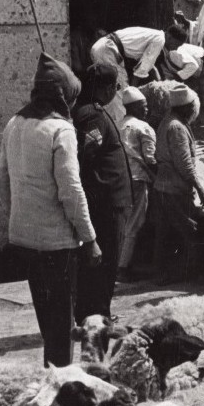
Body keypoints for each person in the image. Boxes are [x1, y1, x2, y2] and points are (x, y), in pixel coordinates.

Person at [0, 52, 101, 367]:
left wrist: (20, 216)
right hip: (58, 244)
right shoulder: (61, 130)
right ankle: (60, 391)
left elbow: (0, 181)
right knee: (61, 329)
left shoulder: (14, 123)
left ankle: (52, 380)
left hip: (24, 240)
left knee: (48, 321)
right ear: (63, 95)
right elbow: (70, 189)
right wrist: (90, 238)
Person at [72, 63, 133, 320]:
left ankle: (95, 312)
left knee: (103, 261)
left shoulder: (90, 111)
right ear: (106, 87)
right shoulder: (92, 115)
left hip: (108, 202)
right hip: (106, 204)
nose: (115, 92)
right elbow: (85, 157)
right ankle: (97, 314)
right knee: (104, 262)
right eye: (116, 87)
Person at [152, 83, 204, 284]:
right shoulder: (176, 127)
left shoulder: (167, 121)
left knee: (166, 232)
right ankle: (187, 275)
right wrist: (201, 190)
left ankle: (164, 274)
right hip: (174, 190)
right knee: (188, 231)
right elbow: (184, 163)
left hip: (163, 187)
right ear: (187, 107)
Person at [90, 25, 189, 122]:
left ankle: (108, 120)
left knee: (110, 89)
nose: (175, 49)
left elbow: (150, 67)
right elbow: (141, 70)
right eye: (176, 45)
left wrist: (159, 82)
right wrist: (132, 92)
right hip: (107, 50)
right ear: (169, 37)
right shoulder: (160, 40)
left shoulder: (154, 34)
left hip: (103, 47)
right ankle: (119, 125)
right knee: (121, 93)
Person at [117, 86, 157, 283]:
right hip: (139, 180)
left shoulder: (118, 125)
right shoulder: (143, 128)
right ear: (134, 107)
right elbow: (150, 159)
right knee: (134, 223)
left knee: (122, 222)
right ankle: (123, 268)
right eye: (144, 106)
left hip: (120, 180)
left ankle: (119, 263)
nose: (147, 109)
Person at [162, 41, 204, 135]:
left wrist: (179, 78)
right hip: (195, 71)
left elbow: (193, 66)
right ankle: (194, 126)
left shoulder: (173, 53)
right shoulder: (165, 58)